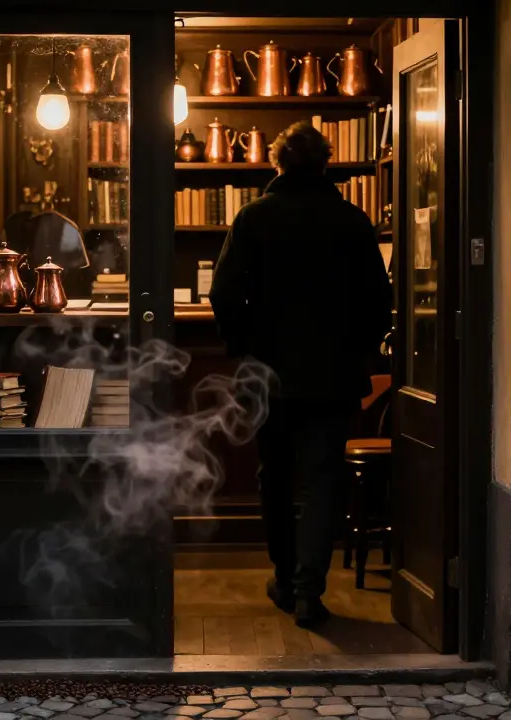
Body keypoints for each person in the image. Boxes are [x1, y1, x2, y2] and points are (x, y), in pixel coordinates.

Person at [209, 121, 393, 628]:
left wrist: (242, 348)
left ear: (278, 162)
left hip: (268, 373)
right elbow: (379, 299)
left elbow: (224, 294)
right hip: (334, 374)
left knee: (274, 476)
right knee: (321, 481)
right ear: (326, 163)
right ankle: (310, 591)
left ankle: (285, 580)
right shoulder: (351, 220)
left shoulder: (253, 217)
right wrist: (362, 352)